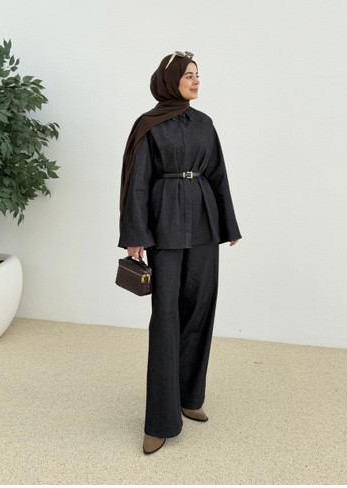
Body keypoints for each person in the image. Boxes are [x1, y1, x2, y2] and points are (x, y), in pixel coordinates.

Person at [118, 50, 242, 455]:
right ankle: (160, 419)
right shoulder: (148, 125)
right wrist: (135, 234)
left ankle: (190, 397)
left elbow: (218, 175)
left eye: (197, 75)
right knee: (166, 317)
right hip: (165, 226)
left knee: (200, 308)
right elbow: (138, 181)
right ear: (170, 80)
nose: (196, 81)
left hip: (204, 224)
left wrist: (229, 226)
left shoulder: (205, 124)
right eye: (189, 75)